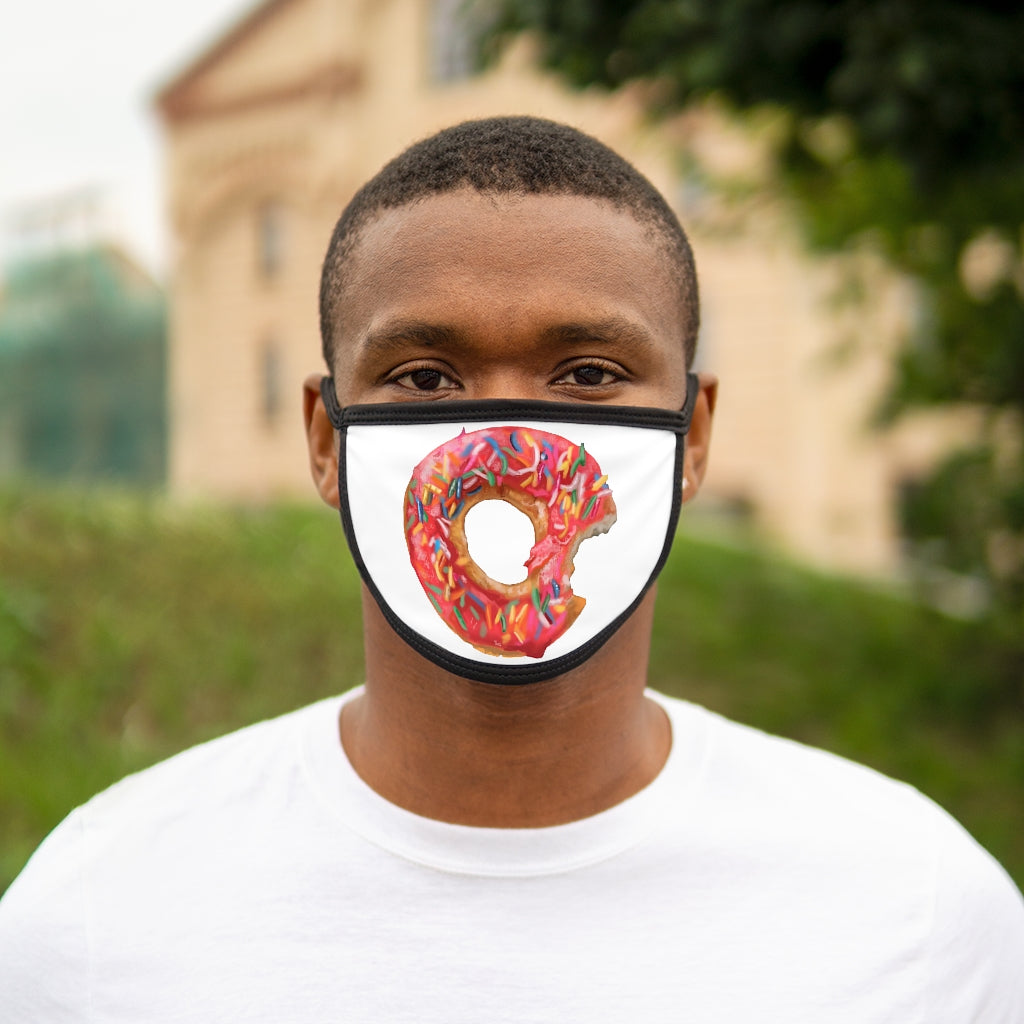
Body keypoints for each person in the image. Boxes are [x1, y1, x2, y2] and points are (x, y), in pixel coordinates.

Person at [1, 116, 1022, 1022]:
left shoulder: (920, 915)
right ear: (325, 437)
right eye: (423, 376)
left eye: (587, 373)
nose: (501, 435)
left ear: (694, 435)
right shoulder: (98, 915)